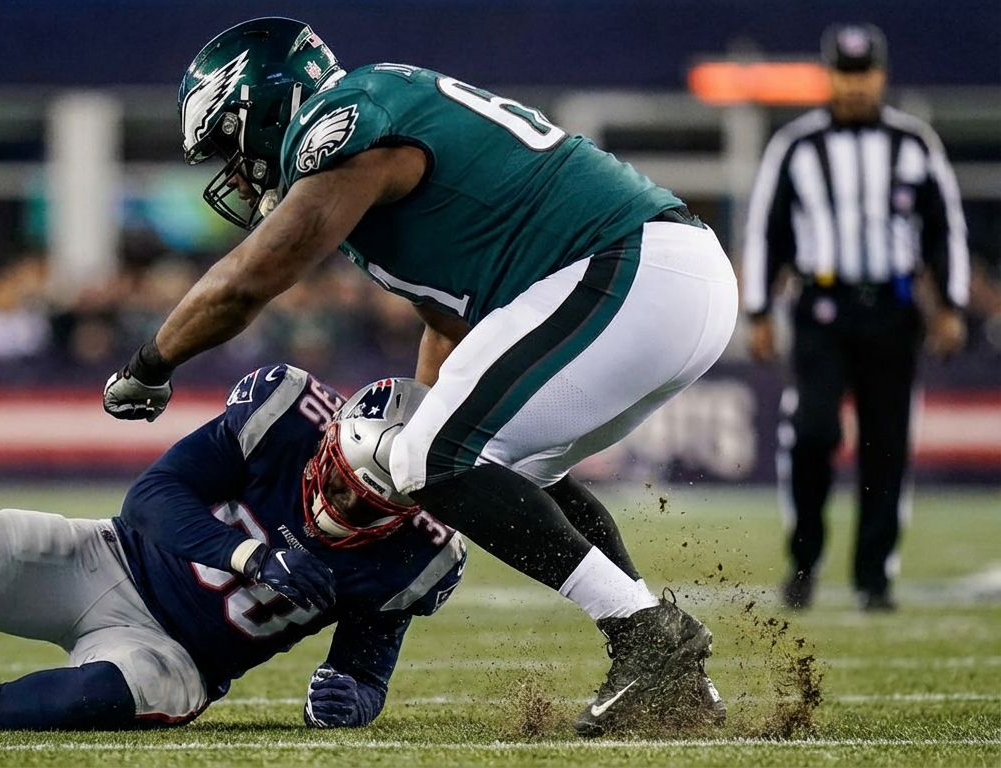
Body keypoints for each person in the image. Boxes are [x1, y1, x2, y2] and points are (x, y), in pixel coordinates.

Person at [101, 18, 736, 736]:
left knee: (428, 457)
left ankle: (646, 637)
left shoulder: (342, 124)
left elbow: (252, 280)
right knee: (500, 466)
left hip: (631, 268)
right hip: (660, 279)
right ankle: (670, 672)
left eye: (227, 143)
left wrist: (150, 363)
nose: (235, 170)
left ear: (265, 106)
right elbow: (449, 323)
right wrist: (429, 438)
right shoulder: (381, 113)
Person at [0, 365, 466, 732]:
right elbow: (149, 499)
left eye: (365, 504)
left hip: (181, 660)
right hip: (107, 557)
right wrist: (248, 557)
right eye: (338, 482)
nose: (338, 505)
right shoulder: (284, 411)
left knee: (93, 698)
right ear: (330, 438)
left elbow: (366, 666)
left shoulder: (419, 553)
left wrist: (353, 699)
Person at [741, 22, 969, 613]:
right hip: (822, 307)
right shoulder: (795, 145)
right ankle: (805, 558)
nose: (854, 85)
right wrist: (759, 310)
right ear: (829, 76)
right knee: (813, 432)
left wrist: (950, 304)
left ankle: (874, 577)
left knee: (886, 446)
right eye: (844, 73)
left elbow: (945, 229)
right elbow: (766, 228)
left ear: (881, 75)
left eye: (864, 72)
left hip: (893, 312)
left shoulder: (914, 144)